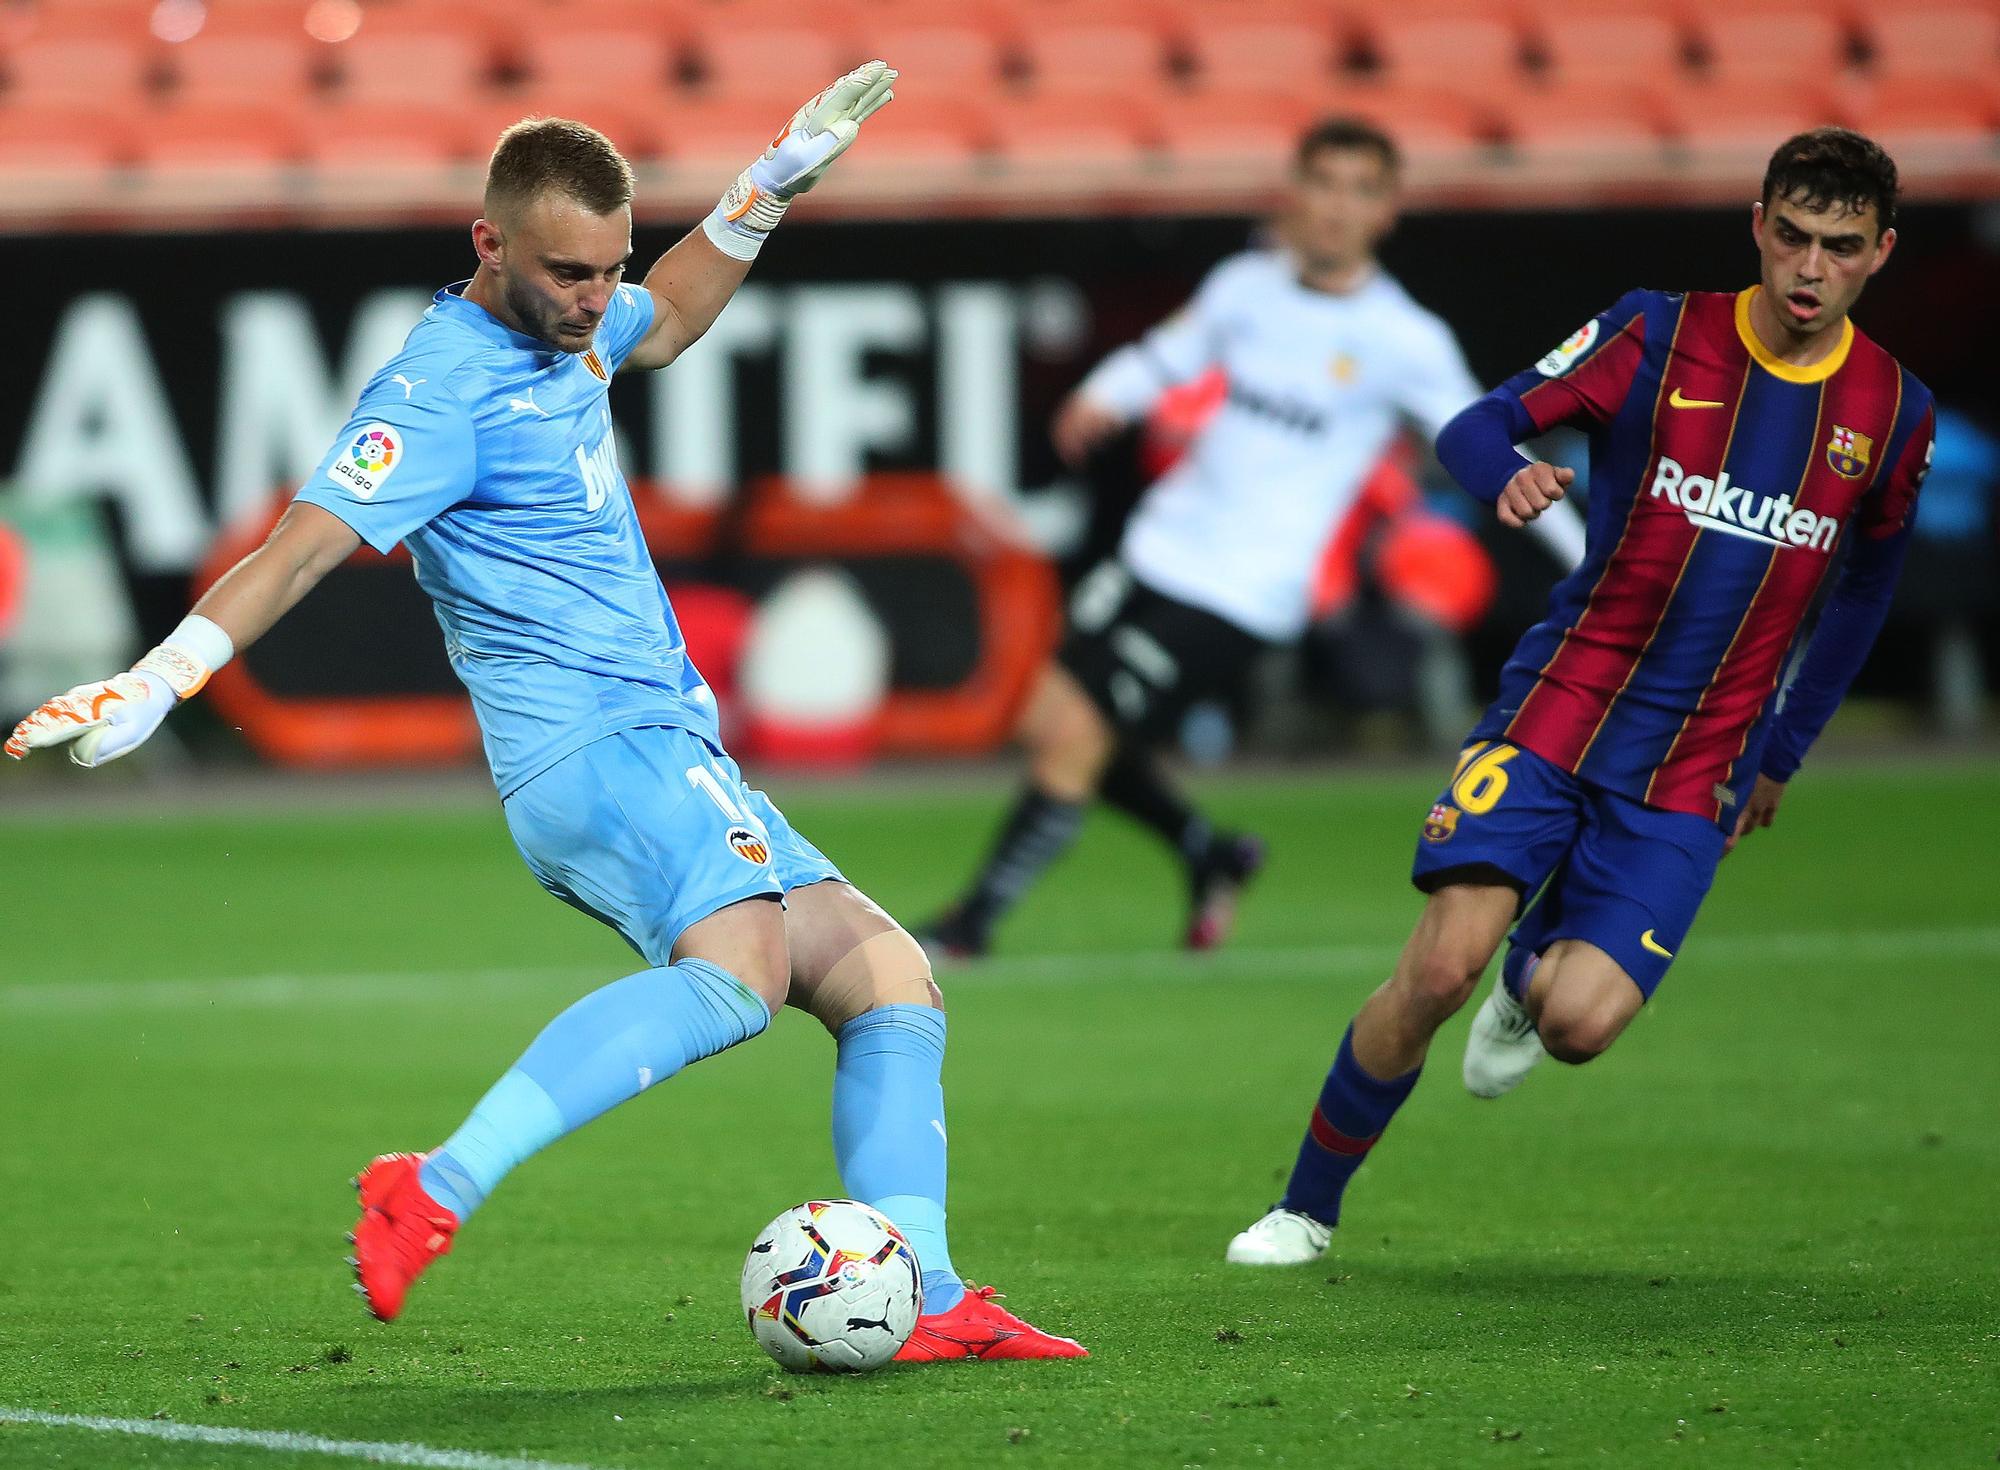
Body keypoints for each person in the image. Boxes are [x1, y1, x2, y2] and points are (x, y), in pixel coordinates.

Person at [6, 69, 1084, 1361]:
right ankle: (433, 1183)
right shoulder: (439, 388)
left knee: (889, 980)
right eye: (569, 271)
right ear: (489, 244)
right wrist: (158, 678)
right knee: (738, 973)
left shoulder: (572, 327)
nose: (593, 300)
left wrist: (771, 180)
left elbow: (669, 320)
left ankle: (933, 1291)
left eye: (606, 266)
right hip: (587, 750)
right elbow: (298, 546)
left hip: (670, 741)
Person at [1227, 127, 1935, 1266]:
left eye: (1838, 248)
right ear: (1756, 226)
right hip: (1559, 705)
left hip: (1694, 766)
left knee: (1577, 1025)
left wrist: (1782, 753)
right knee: (1436, 965)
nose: (1808, 269)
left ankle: (1531, 972)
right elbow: (1472, 422)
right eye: (1791, 238)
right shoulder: (1657, 332)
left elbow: (1862, 593)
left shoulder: (1889, 411)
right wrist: (1505, 471)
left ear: (1877, 254)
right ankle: (1303, 1209)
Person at [924, 117, 1583, 960]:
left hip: (1244, 590)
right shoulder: (1245, 287)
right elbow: (1165, 358)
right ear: (1294, 194)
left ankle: (970, 925)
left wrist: (1587, 558)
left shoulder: (1403, 339)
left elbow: (1489, 448)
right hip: (1158, 549)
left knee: (1076, 735)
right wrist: (1102, 394)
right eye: (1324, 184)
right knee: (1044, 720)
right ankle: (1211, 852)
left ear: (1387, 211)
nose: (1338, 207)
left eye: (1361, 190)